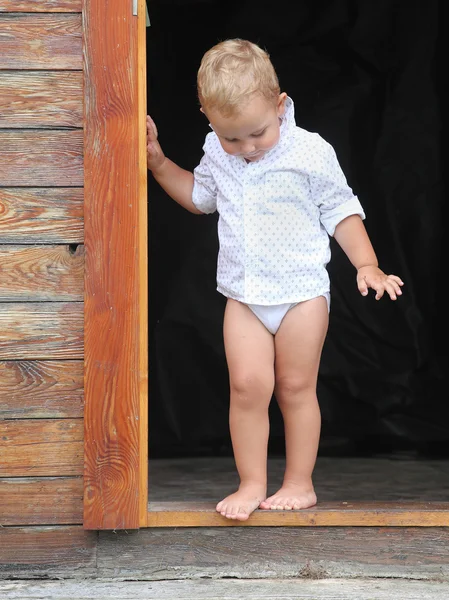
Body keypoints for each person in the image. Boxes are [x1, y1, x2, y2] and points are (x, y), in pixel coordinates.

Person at [146, 38, 403, 521]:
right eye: (231, 137)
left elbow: (341, 209)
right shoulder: (217, 152)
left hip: (302, 294)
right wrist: (159, 164)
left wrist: (367, 264)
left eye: (258, 134)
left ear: (280, 106)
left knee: (293, 386)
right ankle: (251, 483)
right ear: (207, 116)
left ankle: (299, 483)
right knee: (246, 386)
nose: (246, 148)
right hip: (244, 296)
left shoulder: (309, 151)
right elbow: (201, 197)